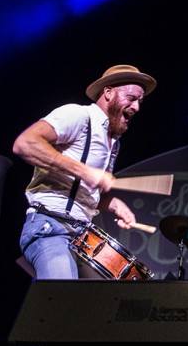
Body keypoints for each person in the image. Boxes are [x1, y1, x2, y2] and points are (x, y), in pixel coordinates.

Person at [13, 64, 156, 279]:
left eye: (139, 101)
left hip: (82, 236)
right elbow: (24, 144)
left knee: (99, 304)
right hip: (49, 227)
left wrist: (113, 204)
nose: (136, 107)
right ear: (108, 93)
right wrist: (85, 171)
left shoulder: (113, 142)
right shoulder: (78, 115)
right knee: (63, 299)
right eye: (131, 98)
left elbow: (83, 190)